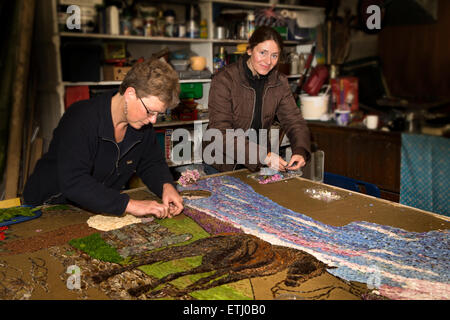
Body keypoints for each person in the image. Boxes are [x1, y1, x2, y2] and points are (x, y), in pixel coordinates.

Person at [23, 59, 184, 219]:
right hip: (48, 205)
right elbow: (74, 181)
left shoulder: (142, 125)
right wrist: (130, 205)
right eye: (150, 111)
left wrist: (166, 186)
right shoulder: (81, 119)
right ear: (130, 94)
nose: (153, 120)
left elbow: (151, 162)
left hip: (95, 204)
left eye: (158, 114)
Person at [204, 26, 311, 173]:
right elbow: (220, 133)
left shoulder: (279, 82)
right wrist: (263, 156)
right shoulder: (225, 79)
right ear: (249, 50)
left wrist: (300, 150)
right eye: (262, 53)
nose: (268, 61)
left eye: (274, 55)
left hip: (258, 163)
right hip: (222, 164)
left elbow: (294, 120)